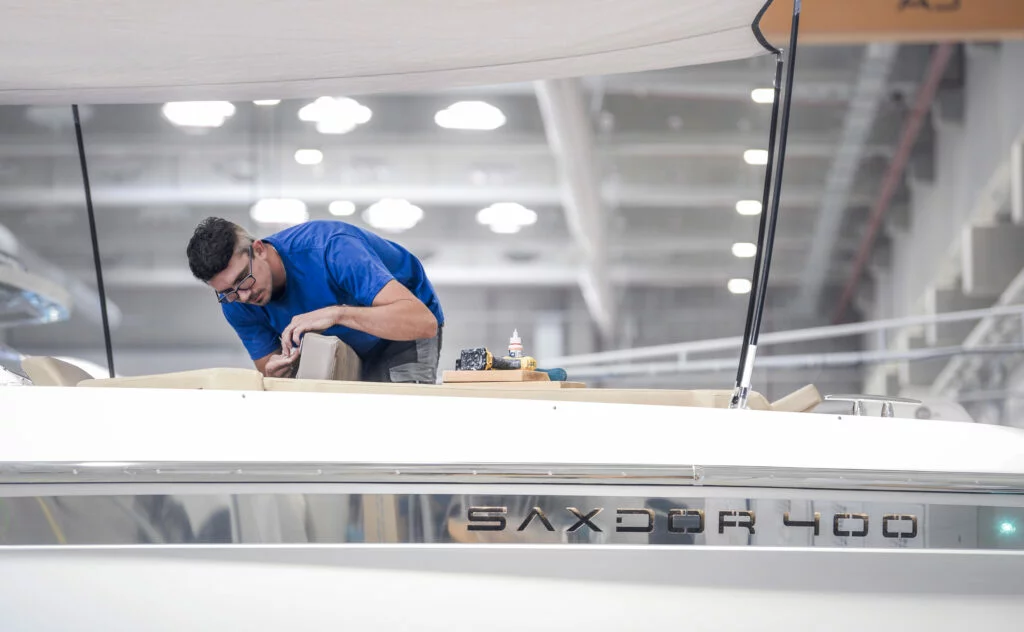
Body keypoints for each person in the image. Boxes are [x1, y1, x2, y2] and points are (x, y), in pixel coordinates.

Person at [185, 217, 443, 382]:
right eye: (228, 291)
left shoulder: (333, 249)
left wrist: (335, 314)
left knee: (399, 412)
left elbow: (423, 322)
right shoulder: (235, 300)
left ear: (259, 249)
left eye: (244, 278)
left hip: (401, 329)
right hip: (345, 345)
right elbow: (268, 366)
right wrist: (276, 371)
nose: (244, 295)